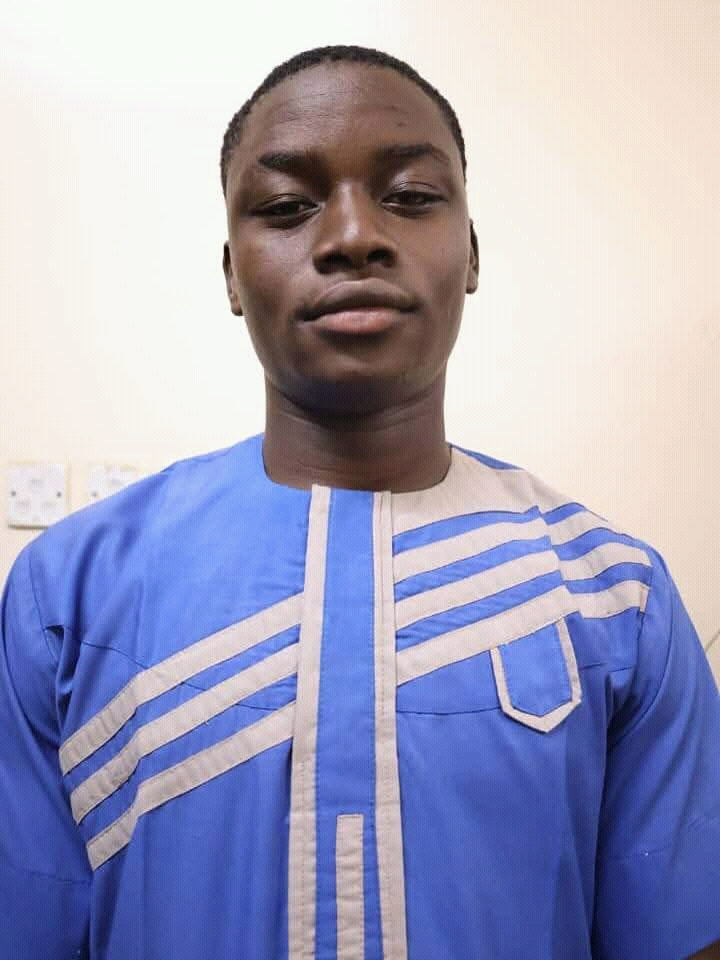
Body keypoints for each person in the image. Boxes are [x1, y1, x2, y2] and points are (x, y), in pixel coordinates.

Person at [0, 44, 718, 960]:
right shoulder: (68, 596)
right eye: (286, 207)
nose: (350, 236)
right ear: (232, 274)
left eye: (410, 196)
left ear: (470, 253)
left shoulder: (618, 599)